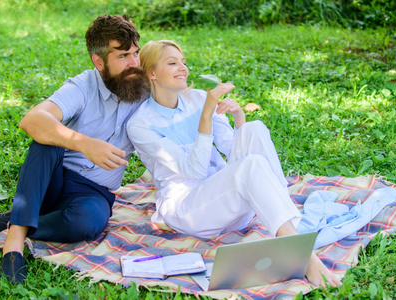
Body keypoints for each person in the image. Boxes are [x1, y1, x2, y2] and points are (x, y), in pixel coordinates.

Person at [126, 40, 342, 288]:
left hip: (233, 205)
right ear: (152, 73)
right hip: (192, 210)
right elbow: (193, 170)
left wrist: (238, 115)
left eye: (183, 62)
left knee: (253, 129)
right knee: (248, 166)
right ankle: (305, 257)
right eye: (172, 63)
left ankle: (287, 225)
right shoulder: (140, 124)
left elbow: (232, 147)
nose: (183, 68)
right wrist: (206, 115)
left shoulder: (196, 98)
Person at [0, 14, 149, 284]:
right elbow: (32, 119)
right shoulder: (83, 86)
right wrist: (83, 143)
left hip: (93, 193)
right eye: (122, 57)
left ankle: (15, 220)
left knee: (89, 223)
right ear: (99, 62)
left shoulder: (143, 87)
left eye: (136, 53)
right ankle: (14, 241)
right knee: (46, 138)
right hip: (52, 179)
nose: (134, 63)